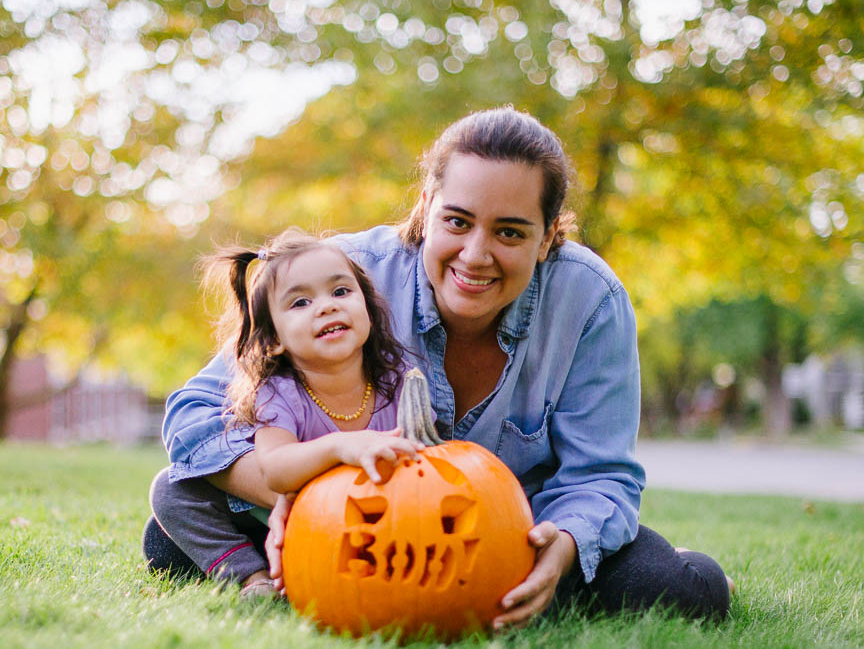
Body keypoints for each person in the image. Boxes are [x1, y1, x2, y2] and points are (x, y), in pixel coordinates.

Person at [144, 106, 731, 624]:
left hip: (510, 533)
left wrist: (566, 546)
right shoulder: (337, 281)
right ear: (425, 208)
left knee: (665, 588)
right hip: (360, 530)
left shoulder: (591, 301)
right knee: (169, 534)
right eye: (457, 221)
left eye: (509, 231)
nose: (475, 256)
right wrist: (307, 495)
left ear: (549, 236)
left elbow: (602, 474)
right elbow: (195, 417)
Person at [146, 230, 422, 597]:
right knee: (171, 490)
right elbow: (275, 469)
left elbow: (423, 459)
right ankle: (251, 576)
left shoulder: (396, 379)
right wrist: (339, 446)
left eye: (341, 292)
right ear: (274, 337)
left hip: (370, 521)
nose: (327, 306)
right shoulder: (279, 392)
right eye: (300, 302)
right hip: (275, 511)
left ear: (368, 307)